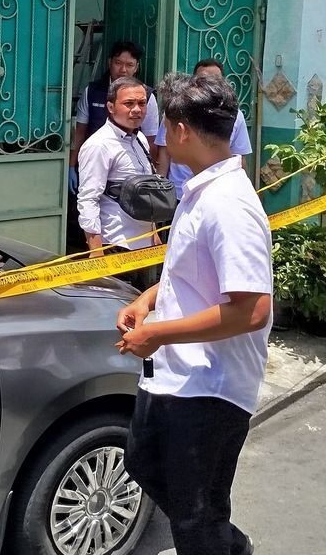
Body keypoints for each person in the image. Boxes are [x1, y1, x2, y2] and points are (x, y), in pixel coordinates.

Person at [114, 70, 272, 555]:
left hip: (211, 387)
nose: (160, 134)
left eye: (165, 124)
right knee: (144, 463)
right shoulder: (202, 190)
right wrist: (149, 299)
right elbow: (192, 274)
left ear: (181, 130)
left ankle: (224, 546)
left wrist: (159, 336)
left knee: (195, 517)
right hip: (176, 376)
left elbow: (252, 310)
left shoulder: (229, 205)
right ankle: (230, 545)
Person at [76, 77, 159, 270]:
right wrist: (96, 253)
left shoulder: (139, 140)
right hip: (115, 244)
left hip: (143, 245)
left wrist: (153, 231)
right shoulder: (100, 145)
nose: (137, 109)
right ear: (111, 107)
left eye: (142, 103)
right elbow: (88, 199)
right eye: (129, 103)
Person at [69, 41, 159, 194]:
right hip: (94, 162)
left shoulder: (146, 96)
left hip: (128, 170)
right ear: (109, 62)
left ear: (136, 67)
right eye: (118, 63)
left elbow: (151, 140)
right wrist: (71, 165)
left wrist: (151, 175)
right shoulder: (92, 91)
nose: (123, 70)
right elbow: (80, 132)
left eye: (129, 65)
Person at [155, 58, 252, 200]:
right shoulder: (175, 113)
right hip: (177, 193)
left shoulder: (226, 202)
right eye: (203, 79)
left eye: (214, 80)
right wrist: (159, 192)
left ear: (182, 132)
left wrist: (245, 190)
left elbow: (240, 157)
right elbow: (163, 156)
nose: (209, 84)